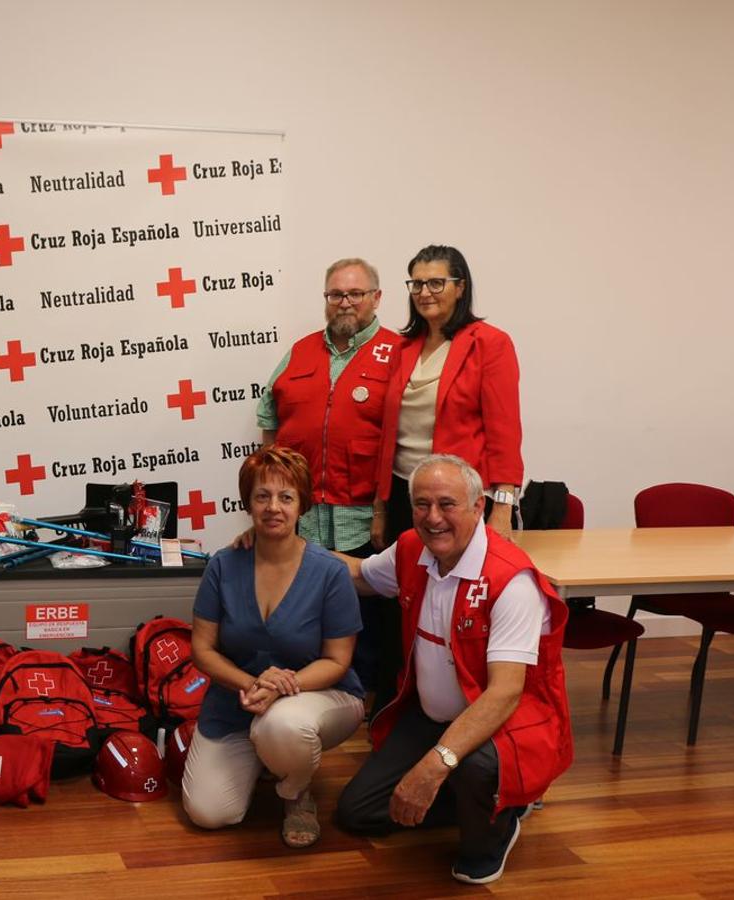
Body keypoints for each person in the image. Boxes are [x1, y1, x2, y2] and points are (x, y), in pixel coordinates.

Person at [334, 454, 571, 885]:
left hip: (503, 724)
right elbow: (361, 576)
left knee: (474, 778)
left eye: (448, 504)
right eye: (422, 505)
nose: (433, 518)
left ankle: (497, 822)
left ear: (479, 506)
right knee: (357, 812)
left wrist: (434, 765)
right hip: (432, 717)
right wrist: (283, 546)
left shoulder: (510, 580)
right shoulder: (410, 548)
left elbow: (504, 694)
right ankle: (483, 801)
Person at [182, 446, 366, 849]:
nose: (273, 507)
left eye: (286, 497)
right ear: (248, 502)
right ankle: (271, 759)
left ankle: (296, 791)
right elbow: (203, 650)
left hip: (320, 696)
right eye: (262, 496)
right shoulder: (223, 564)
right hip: (236, 700)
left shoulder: (330, 572)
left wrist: (279, 686)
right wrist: (251, 683)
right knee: (210, 813)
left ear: (302, 505)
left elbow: (338, 660)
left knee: (282, 724)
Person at [370, 244, 524, 711]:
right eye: (416, 283)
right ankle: (406, 697)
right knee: (404, 599)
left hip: (458, 500)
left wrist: (501, 509)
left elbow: (504, 431)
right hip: (405, 493)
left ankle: (464, 702)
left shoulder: (488, 343)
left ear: (460, 287)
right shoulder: (404, 348)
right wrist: (381, 505)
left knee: (456, 604)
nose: (425, 292)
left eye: (436, 282)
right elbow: (387, 436)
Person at [256, 256, 398, 689]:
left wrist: (383, 509)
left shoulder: (398, 353)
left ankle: (373, 694)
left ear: (376, 298)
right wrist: (273, 494)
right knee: (308, 608)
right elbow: (269, 419)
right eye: (335, 294)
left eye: (355, 294)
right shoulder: (299, 351)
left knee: (372, 613)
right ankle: (311, 686)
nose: (345, 303)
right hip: (307, 515)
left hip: (363, 514)